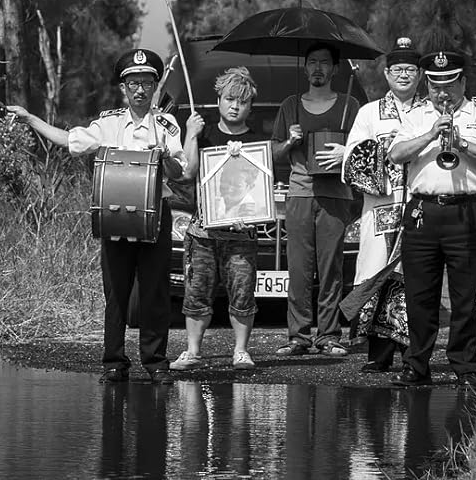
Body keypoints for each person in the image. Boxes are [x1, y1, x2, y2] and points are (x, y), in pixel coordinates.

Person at [9, 47, 186, 385]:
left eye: (146, 83)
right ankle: (114, 362)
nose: (139, 90)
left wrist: (166, 158)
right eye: (132, 83)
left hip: (156, 216)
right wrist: (31, 119)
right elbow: (69, 140)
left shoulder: (167, 125)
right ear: (123, 88)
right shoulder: (108, 124)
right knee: (116, 293)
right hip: (116, 218)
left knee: (155, 292)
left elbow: (180, 172)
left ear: (154, 86)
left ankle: (156, 362)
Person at [386, 49, 476, 389]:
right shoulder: (416, 116)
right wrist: (429, 135)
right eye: (436, 85)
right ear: (428, 85)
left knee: (463, 295)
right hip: (423, 211)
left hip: (466, 211)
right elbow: (395, 154)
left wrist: (463, 143)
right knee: (419, 294)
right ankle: (417, 364)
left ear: (463, 82)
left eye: (450, 85)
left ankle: (465, 366)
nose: (443, 93)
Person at [330, 36, 424, 373]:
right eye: (397, 69)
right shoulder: (370, 113)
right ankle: (378, 353)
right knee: (376, 274)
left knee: (413, 276)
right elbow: (352, 158)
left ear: (420, 74)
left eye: (410, 69)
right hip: (382, 204)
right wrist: (387, 156)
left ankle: (412, 353)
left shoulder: (430, 112)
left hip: (418, 205)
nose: (403, 75)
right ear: (386, 74)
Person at [170, 67, 262, 372]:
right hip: (202, 234)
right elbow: (188, 172)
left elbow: (257, 189)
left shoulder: (257, 141)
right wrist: (191, 135)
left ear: (250, 106)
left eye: (242, 101)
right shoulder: (204, 132)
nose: (235, 106)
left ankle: (241, 351)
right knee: (197, 293)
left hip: (241, 234)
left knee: (242, 293)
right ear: (218, 100)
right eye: (229, 99)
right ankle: (193, 351)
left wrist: (248, 216)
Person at [271, 42, 360, 356]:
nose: (318, 68)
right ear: (305, 67)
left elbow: (362, 151)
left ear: (335, 68)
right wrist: (289, 141)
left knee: (330, 268)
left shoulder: (350, 105)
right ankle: (298, 336)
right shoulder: (290, 105)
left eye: (324, 62)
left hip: (335, 194)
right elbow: (274, 153)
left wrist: (345, 151)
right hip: (299, 192)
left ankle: (329, 336)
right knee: (298, 269)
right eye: (312, 62)